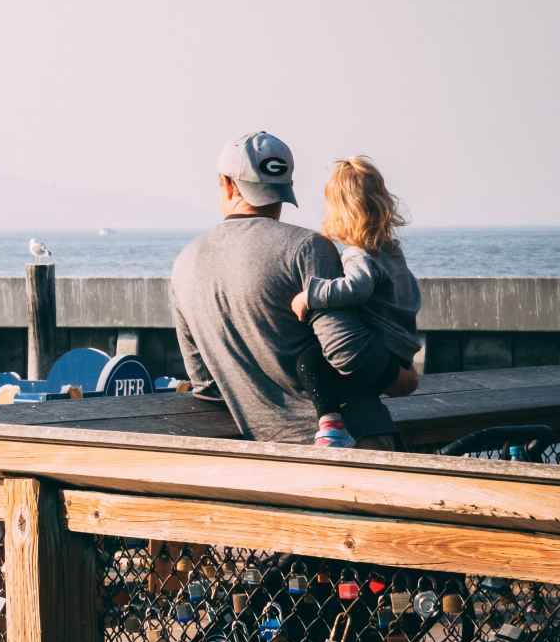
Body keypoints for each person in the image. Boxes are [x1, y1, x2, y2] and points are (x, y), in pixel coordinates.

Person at [170, 132, 418, 448]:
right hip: (353, 442)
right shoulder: (307, 247)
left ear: (227, 183)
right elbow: (346, 352)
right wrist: (402, 379)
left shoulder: (185, 262)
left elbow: (206, 384)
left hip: (266, 451)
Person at [288, 157, 422, 446]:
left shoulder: (358, 254)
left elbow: (356, 288)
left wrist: (311, 295)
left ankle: (332, 425)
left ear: (340, 212)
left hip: (381, 351)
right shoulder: (392, 251)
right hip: (400, 350)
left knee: (309, 362)